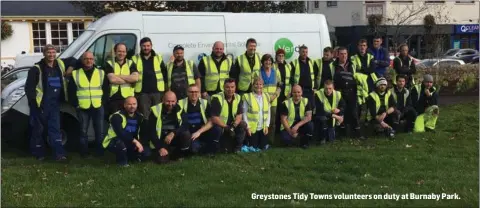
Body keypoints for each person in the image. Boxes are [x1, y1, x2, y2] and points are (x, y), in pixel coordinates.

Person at [25, 44, 70, 161]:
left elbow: (75, 60)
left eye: (53, 52)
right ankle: (39, 154)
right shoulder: (36, 69)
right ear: (44, 54)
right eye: (49, 52)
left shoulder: (60, 64)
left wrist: (70, 69)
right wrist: (34, 104)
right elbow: (29, 88)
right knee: (38, 130)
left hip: (54, 105)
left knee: (55, 129)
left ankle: (59, 154)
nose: (51, 55)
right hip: (41, 105)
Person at [68, 51, 107, 158]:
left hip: (98, 105)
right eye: (86, 59)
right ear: (82, 60)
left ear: (94, 60)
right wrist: (75, 104)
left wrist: (103, 102)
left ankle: (100, 152)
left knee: (100, 131)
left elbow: (106, 89)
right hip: (82, 106)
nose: (88, 61)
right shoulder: (75, 73)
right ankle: (84, 153)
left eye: (90, 59)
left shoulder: (101, 73)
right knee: (83, 131)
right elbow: (70, 91)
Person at [131, 37, 167, 122]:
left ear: (151, 46)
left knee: (157, 116)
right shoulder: (135, 58)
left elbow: (164, 73)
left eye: (148, 45)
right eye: (144, 46)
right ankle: (146, 134)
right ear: (140, 47)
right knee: (145, 117)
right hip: (142, 93)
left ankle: (157, 135)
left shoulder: (158, 57)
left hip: (157, 93)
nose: (146, 48)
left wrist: (165, 91)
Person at [148, 91, 190, 164]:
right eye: (168, 101)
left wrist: (173, 133)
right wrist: (160, 147)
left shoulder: (180, 109)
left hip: (174, 137)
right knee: (162, 161)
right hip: (161, 140)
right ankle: (170, 154)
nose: (170, 104)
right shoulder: (155, 110)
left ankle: (180, 154)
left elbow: (185, 125)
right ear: (163, 100)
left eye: (173, 101)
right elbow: (151, 132)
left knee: (186, 134)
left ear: (176, 101)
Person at [332, 47, 365, 139]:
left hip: (351, 92)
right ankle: (342, 134)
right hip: (339, 92)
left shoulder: (352, 64)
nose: (344, 56)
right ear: (338, 55)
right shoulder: (333, 65)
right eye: (341, 54)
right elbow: (332, 79)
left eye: (345, 54)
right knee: (342, 112)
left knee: (354, 112)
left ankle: (358, 133)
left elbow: (356, 77)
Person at [102, 96, 145, 167]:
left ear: (137, 105)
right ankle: (122, 164)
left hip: (130, 140)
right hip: (114, 141)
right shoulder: (117, 116)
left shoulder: (140, 116)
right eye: (129, 104)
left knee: (146, 153)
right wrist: (136, 142)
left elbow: (140, 132)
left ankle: (131, 157)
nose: (132, 106)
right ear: (124, 105)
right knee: (121, 145)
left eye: (134, 104)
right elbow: (121, 133)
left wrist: (139, 142)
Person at [178, 84, 218, 154]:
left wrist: (199, 132)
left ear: (199, 93)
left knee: (217, 129)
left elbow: (211, 121)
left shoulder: (204, 102)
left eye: (196, 92)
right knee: (194, 150)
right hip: (188, 132)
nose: (194, 94)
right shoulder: (180, 103)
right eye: (191, 92)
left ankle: (209, 147)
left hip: (201, 131)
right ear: (187, 93)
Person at [210, 79, 246, 153]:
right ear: (223, 87)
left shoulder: (238, 97)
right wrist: (226, 127)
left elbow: (239, 114)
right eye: (227, 87)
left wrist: (234, 125)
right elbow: (214, 118)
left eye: (232, 87)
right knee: (218, 129)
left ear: (235, 87)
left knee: (243, 124)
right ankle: (216, 148)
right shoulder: (217, 98)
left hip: (232, 125)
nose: (230, 89)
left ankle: (238, 147)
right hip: (221, 125)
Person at [105, 43, 139, 116]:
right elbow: (112, 80)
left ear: (126, 53)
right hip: (114, 98)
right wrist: (128, 79)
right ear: (115, 52)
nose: (121, 53)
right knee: (115, 121)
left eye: (123, 51)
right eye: (119, 51)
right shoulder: (109, 63)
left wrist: (117, 75)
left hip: (129, 99)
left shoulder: (130, 63)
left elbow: (135, 78)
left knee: (128, 121)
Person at [242, 77, 271, 152]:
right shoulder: (247, 97)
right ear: (253, 85)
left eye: (260, 84)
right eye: (256, 84)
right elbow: (244, 113)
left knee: (263, 146)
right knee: (253, 147)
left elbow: (268, 112)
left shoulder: (267, 96)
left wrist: (267, 126)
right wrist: (248, 127)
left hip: (263, 127)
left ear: (263, 86)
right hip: (252, 128)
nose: (258, 86)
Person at [351, 39, 376, 121]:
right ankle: (358, 123)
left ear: (366, 47)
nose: (362, 47)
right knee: (359, 104)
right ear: (358, 46)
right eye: (361, 45)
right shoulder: (353, 57)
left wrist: (361, 69)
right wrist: (366, 70)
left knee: (370, 102)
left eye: (364, 45)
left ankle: (368, 121)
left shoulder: (370, 56)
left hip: (369, 82)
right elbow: (353, 71)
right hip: (359, 83)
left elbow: (372, 69)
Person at [260, 54, 282, 145]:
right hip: (262, 100)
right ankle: (262, 140)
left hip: (273, 100)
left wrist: (276, 94)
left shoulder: (276, 71)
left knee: (272, 122)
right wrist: (265, 98)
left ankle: (270, 141)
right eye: (266, 60)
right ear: (262, 62)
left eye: (269, 60)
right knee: (262, 120)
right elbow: (256, 86)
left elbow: (280, 85)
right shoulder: (258, 72)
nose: (268, 62)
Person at [273, 49, 292, 134]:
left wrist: (290, 92)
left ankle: (283, 131)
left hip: (286, 93)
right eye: (279, 56)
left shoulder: (288, 66)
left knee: (284, 113)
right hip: (277, 92)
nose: (281, 57)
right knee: (276, 113)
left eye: (282, 56)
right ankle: (276, 132)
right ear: (276, 56)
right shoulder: (273, 66)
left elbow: (291, 80)